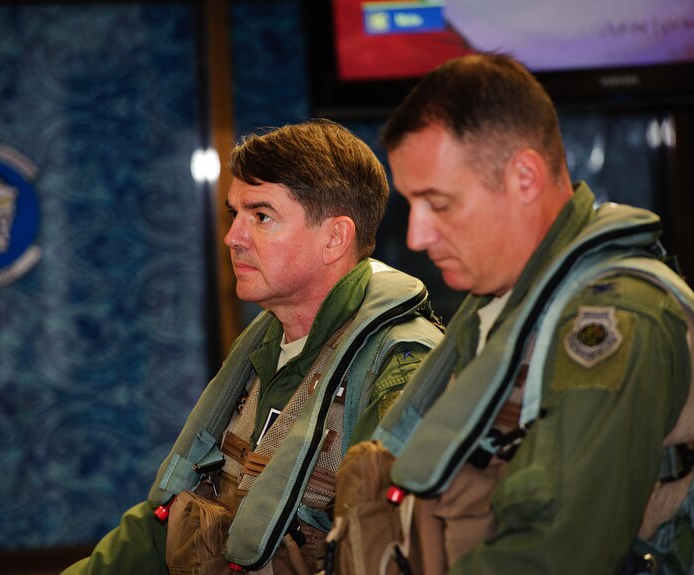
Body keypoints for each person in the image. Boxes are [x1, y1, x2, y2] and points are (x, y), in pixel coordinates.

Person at [62, 119, 444, 574]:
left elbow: (400, 551)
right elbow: (169, 518)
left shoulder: (399, 366)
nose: (233, 237)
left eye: (261, 217)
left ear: (335, 238)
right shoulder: (263, 350)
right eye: (234, 214)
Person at [363, 52, 694, 574]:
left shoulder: (613, 318)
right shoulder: (502, 302)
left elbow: (557, 554)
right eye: (412, 205)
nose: (416, 236)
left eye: (438, 203)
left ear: (523, 177)